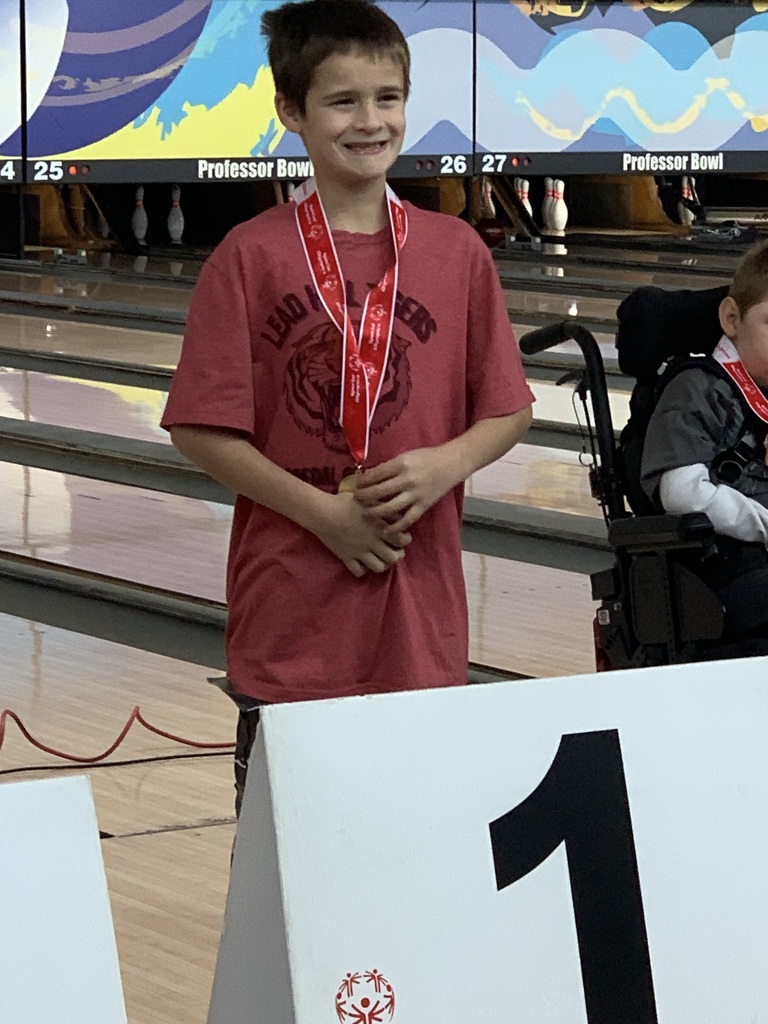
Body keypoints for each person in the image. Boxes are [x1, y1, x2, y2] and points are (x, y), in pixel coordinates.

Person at [161, 0, 534, 812]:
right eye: (342, 101)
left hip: (420, 624)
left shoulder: (456, 251)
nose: (371, 120)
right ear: (291, 111)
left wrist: (446, 463)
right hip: (292, 621)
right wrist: (323, 516)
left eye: (387, 97)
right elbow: (198, 423)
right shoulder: (249, 256)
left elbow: (508, 409)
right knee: (286, 873)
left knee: (417, 860)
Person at [641, 239, 768, 637]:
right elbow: (682, 493)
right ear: (732, 319)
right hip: (720, 571)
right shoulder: (698, 388)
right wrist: (764, 524)